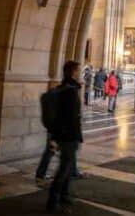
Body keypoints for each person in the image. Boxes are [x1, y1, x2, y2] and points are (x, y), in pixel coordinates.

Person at [46, 60, 83, 213]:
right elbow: (71, 116)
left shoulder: (62, 88)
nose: (79, 73)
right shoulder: (71, 91)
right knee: (64, 168)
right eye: (77, 71)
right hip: (69, 135)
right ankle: (53, 200)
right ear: (73, 72)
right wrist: (77, 136)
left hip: (62, 134)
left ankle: (64, 194)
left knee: (68, 166)